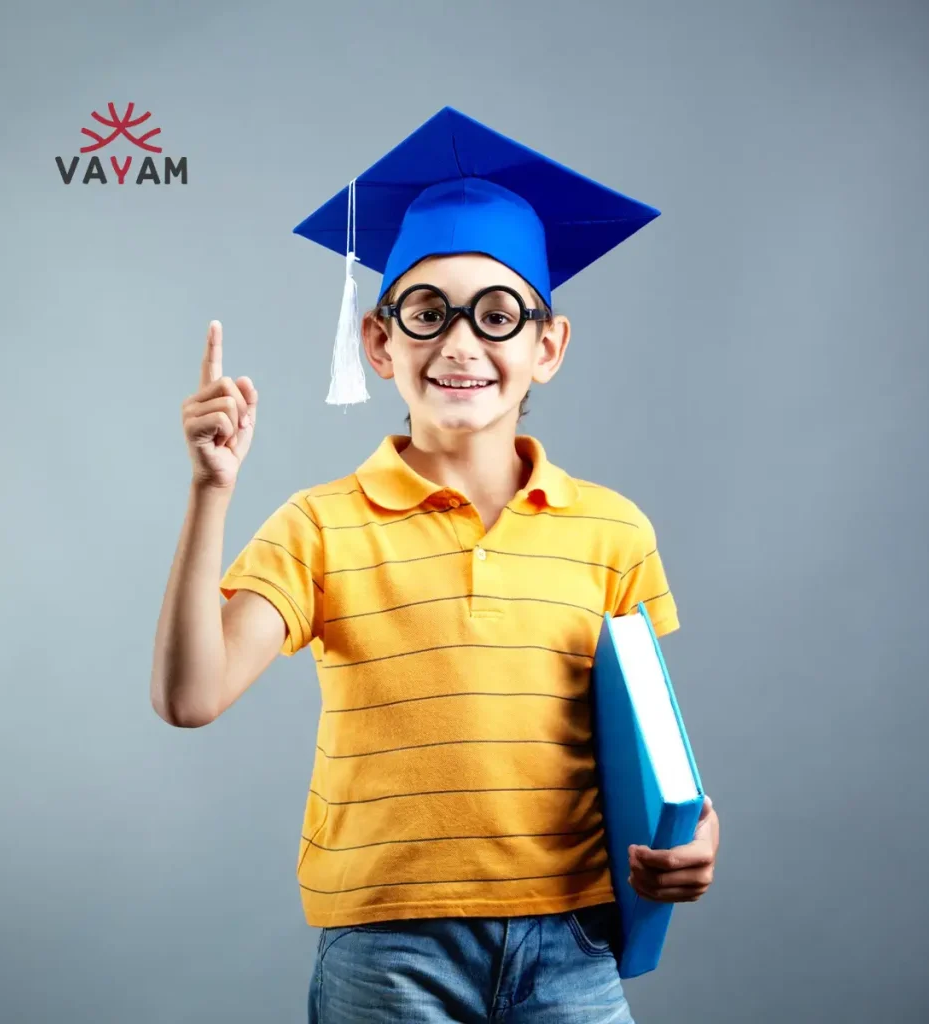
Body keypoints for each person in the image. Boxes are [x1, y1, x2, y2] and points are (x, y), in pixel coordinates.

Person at [150, 107, 720, 1023]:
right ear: (381, 342)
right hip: (387, 952)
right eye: (428, 312)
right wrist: (209, 490)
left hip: (574, 944)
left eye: (498, 315)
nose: (461, 344)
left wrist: (696, 837)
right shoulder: (320, 527)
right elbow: (191, 696)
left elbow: (650, 744)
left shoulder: (614, 531)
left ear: (548, 345)